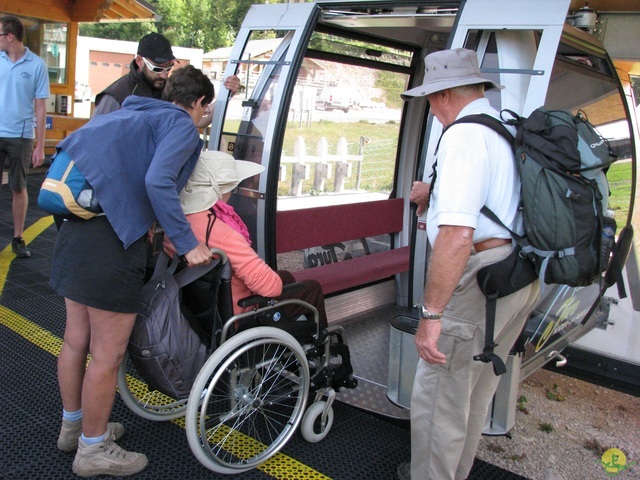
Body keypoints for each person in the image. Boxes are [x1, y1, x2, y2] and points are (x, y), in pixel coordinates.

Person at [51, 65, 215, 477]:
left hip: (75, 229)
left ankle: (75, 428)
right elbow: (158, 181)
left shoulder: (132, 112)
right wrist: (189, 241)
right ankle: (92, 450)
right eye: (206, 108)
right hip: (112, 242)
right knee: (108, 354)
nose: (204, 115)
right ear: (197, 103)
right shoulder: (180, 124)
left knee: (76, 340)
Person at [397, 48, 540, 480]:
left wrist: (432, 315)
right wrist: (433, 197)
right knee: (474, 390)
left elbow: (459, 236)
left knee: (440, 397)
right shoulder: (502, 128)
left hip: (481, 275)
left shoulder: (461, 136)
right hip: (516, 270)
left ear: (441, 96)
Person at [164, 150, 330, 329]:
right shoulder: (221, 232)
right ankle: (323, 343)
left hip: (197, 311)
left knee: (287, 277)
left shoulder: (174, 223)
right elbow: (270, 288)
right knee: (311, 288)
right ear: (220, 191)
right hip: (237, 313)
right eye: (231, 188)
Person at [93, 32, 240, 128]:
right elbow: (94, 139)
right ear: (139, 61)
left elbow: (198, 119)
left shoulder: (168, 88)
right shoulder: (116, 95)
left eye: (168, 68)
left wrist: (227, 94)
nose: (164, 75)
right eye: (157, 69)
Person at [0, 15, 50, 258]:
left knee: (18, 187)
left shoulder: (37, 65)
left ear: (10, 37)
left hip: (21, 137)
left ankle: (18, 238)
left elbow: (41, 107)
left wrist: (40, 145)